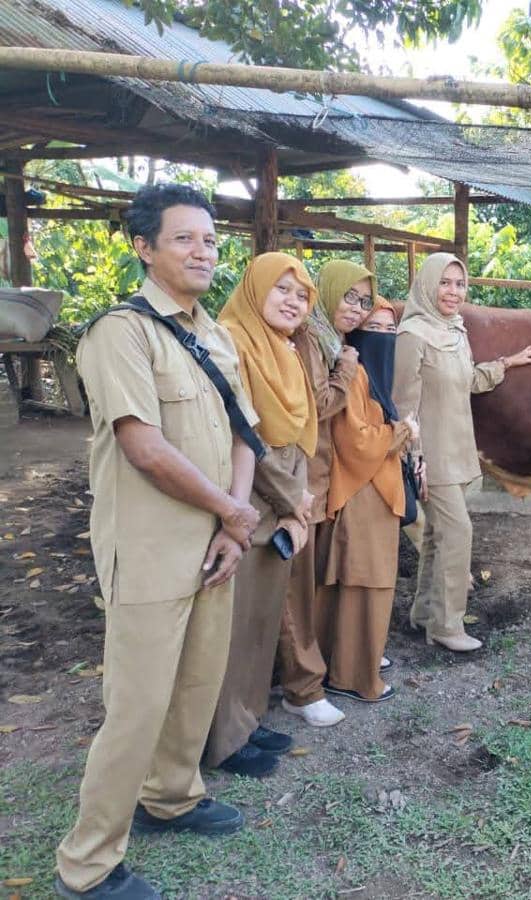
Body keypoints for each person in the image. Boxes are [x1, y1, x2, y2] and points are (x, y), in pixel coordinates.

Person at [55, 184, 260, 900]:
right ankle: (87, 864)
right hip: (148, 550)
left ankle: (171, 796)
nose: (204, 252)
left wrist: (232, 520)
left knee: (197, 683)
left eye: (210, 240)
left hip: (214, 542)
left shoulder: (215, 335)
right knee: (137, 706)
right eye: (184, 239)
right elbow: (143, 447)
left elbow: (245, 433)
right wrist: (231, 512)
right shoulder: (120, 333)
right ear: (144, 248)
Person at [203, 253, 318, 778]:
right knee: (233, 623)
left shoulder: (284, 348)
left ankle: (246, 720)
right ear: (255, 289)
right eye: (282, 289)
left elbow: (299, 431)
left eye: (302, 294)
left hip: (283, 499)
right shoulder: (232, 340)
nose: (293, 302)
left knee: (261, 621)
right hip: (246, 496)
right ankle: (221, 737)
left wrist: (299, 496)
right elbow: (247, 435)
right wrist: (295, 499)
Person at [394, 253, 531, 652]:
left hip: (458, 452)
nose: (453, 292)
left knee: (436, 537)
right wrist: (415, 459)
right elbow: (403, 407)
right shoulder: (412, 335)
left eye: (460, 284)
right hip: (432, 459)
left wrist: (508, 363)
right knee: (458, 534)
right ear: (428, 284)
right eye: (444, 282)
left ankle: (424, 614)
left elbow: (468, 381)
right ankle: (447, 626)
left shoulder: (455, 330)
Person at [315, 260, 416, 702]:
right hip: (360, 491)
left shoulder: (366, 371)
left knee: (366, 584)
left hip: (375, 489)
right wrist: (402, 432)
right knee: (364, 583)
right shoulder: (351, 371)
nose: (383, 337)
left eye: (391, 330)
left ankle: (357, 660)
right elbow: (355, 441)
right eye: (374, 327)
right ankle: (354, 677)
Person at [275, 267, 360, 728]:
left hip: (316, 475)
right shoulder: (312, 339)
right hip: (296, 478)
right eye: (348, 297)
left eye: (363, 301)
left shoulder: (326, 339)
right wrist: (347, 366)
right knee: (293, 586)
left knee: (304, 584)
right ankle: (302, 688)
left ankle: (302, 674)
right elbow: (321, 405)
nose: (356, 309)